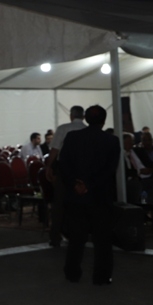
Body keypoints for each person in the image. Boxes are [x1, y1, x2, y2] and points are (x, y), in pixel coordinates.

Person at [59, 105, 120, 285]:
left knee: (76, 238)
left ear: (86, 118)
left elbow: (64, 165)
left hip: (76, 196)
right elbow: (109, 170)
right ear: (104, 121)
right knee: (102, 239)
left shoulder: (72, 137)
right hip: (100, 195)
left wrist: (75, 184)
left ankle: (72, 273)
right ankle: (101, 276)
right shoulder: (111, 140)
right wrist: (90, 185)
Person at [45, 106, 86, 247]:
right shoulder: (87, 130)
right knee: (80, 204)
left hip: (64, 170)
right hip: (83, 171)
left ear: (71, 115)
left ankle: (55, 236)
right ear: (83, 117)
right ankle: (79, 234)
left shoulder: (63, 129)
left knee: (59, 204)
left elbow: (54, 150)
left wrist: (49, 167)